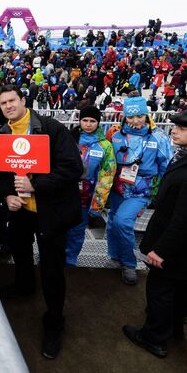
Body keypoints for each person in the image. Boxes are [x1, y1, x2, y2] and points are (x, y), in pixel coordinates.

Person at [123, 109, 187, 358]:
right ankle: (175, 326)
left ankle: (153, 337)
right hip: (183, 242)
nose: (174, 130)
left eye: (182, 128)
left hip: (179, 244)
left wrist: (162, 250)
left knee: (160, 288)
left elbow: (186, 219)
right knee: (179, 285)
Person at [0, 84, 83, 359]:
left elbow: (73, 168)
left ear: (23, 100)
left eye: (12, 100)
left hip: (50, 212)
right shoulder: (2, 133)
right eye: (2, 102)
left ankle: (55, 320)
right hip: (20, 212)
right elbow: (4, 176)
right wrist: (8, 196)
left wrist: (37, 186)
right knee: (20, 252)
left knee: (53, 269)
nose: (8, 106)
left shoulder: (51, 128)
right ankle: (23, 286)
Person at [108, 96, 172, 285]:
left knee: (122, 221)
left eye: (139, 116)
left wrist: (160, 193)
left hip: (140, 189)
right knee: (113, 220)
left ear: (146, 115)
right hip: (117, 186)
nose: (135, 121)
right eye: (130, 117)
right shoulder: (115, 133)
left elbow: (165, 166)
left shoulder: (158, 136)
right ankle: (115, 255)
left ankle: (129, 263)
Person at [65, 106, 116, 266]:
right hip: (65, 192)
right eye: (85, 120)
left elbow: (107, 175)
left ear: (98, 123)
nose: (88, 124)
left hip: (86, 197)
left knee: (77, 230)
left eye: (92, 121)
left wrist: (98, 203)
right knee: (60, 228)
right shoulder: (69, 138)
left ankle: (70, 259)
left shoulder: (105, 146)